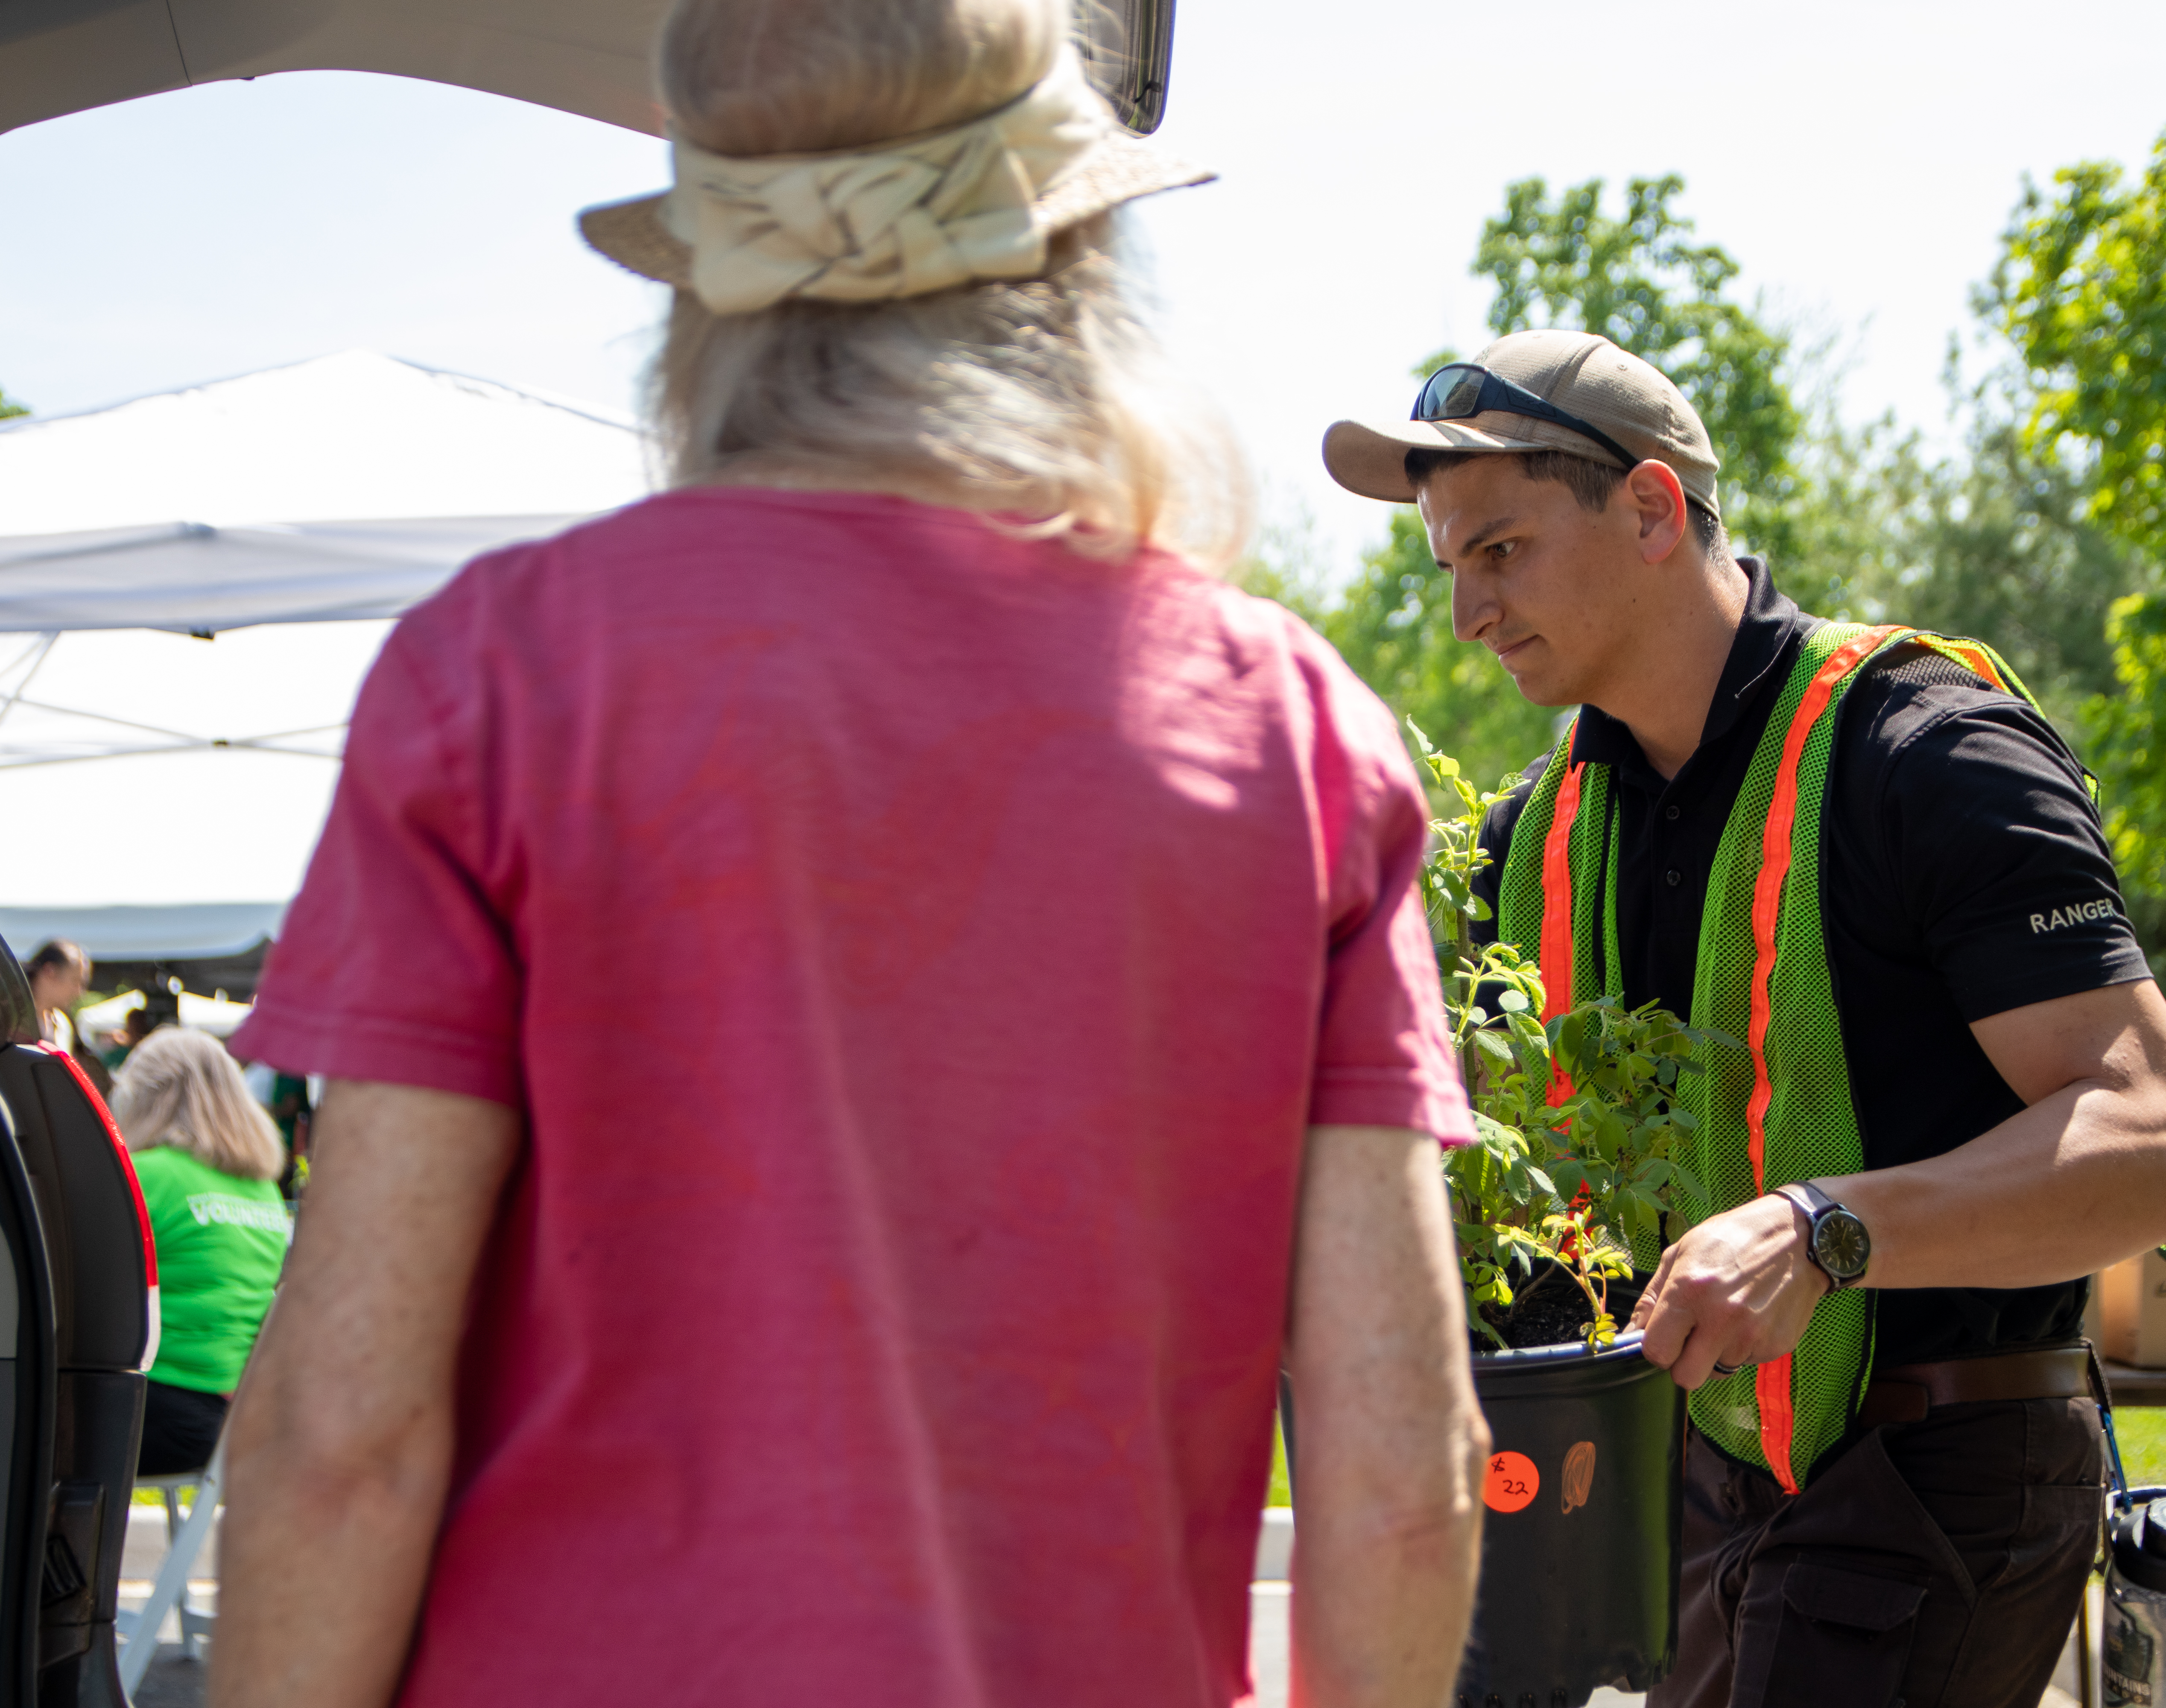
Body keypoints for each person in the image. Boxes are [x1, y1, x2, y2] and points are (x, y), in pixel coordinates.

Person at [210, 2, 1487, 1703]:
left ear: (707, 287)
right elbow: (1402, 1481)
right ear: (1081, 261)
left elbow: (341, 1435)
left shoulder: (506, 675)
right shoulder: (1290, 732)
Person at [1321, 330, 2166, 1708]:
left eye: (1499, 551)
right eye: (1450, 568)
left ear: (1652, 510)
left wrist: (1823, 1230)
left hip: (1939, 1469)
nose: (1468, 614)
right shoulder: (1538, 841)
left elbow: (2157, 1148)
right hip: (1707, 1483)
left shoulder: (1930, 754)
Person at [113, 1027, 292, 1476]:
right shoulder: (263, 1190)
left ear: (146, 1094)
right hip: (220, 1424)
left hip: (136, 1416)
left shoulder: (146, 1175)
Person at [23, 937, 111, 1093]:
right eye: (76, 982)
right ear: (50, 972)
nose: (80, 993)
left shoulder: (63, 1024)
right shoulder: (10, 1014)